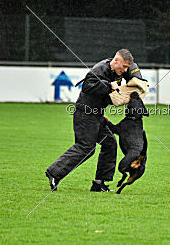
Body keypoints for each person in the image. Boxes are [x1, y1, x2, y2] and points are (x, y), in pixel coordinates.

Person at [45, 49, 144, 192]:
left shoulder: (116, 70)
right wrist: (109, 85)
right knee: (86, 147)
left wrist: (137, 79)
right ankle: (54, 173)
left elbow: (132, 73)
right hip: (85, 114)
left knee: (109, 143)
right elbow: (87, 86)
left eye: (127, 67)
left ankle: (99, 183)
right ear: (116, 60)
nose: (125, 70)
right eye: (124, 66)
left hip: (96, 114)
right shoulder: (101, 69)